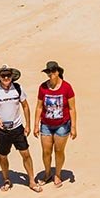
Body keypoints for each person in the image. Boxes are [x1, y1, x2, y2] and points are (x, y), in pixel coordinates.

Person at [0, 64, 42, 193]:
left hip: (17, 128)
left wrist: (28, 125)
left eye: (8, 75)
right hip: (2, 130)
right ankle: (6, 179)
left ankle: (32, 181)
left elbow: (25, 106)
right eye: (3, 75)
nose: (6, 77)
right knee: (3, 155)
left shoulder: (18, 88)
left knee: (26, 153)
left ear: (12, 76)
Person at [34, 60, 76, 188]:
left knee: (59, 150)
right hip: (46, 124)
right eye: (48, 72)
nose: (50, 74)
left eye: (52, 71)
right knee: (46, 151)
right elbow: (39, 107)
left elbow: (72, 108)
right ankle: (47, 173)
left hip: (62, 125)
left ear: (58, 72)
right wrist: (36, 124)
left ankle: (57, 174)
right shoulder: (43, 87)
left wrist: (73, 127)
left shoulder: (67, 87)